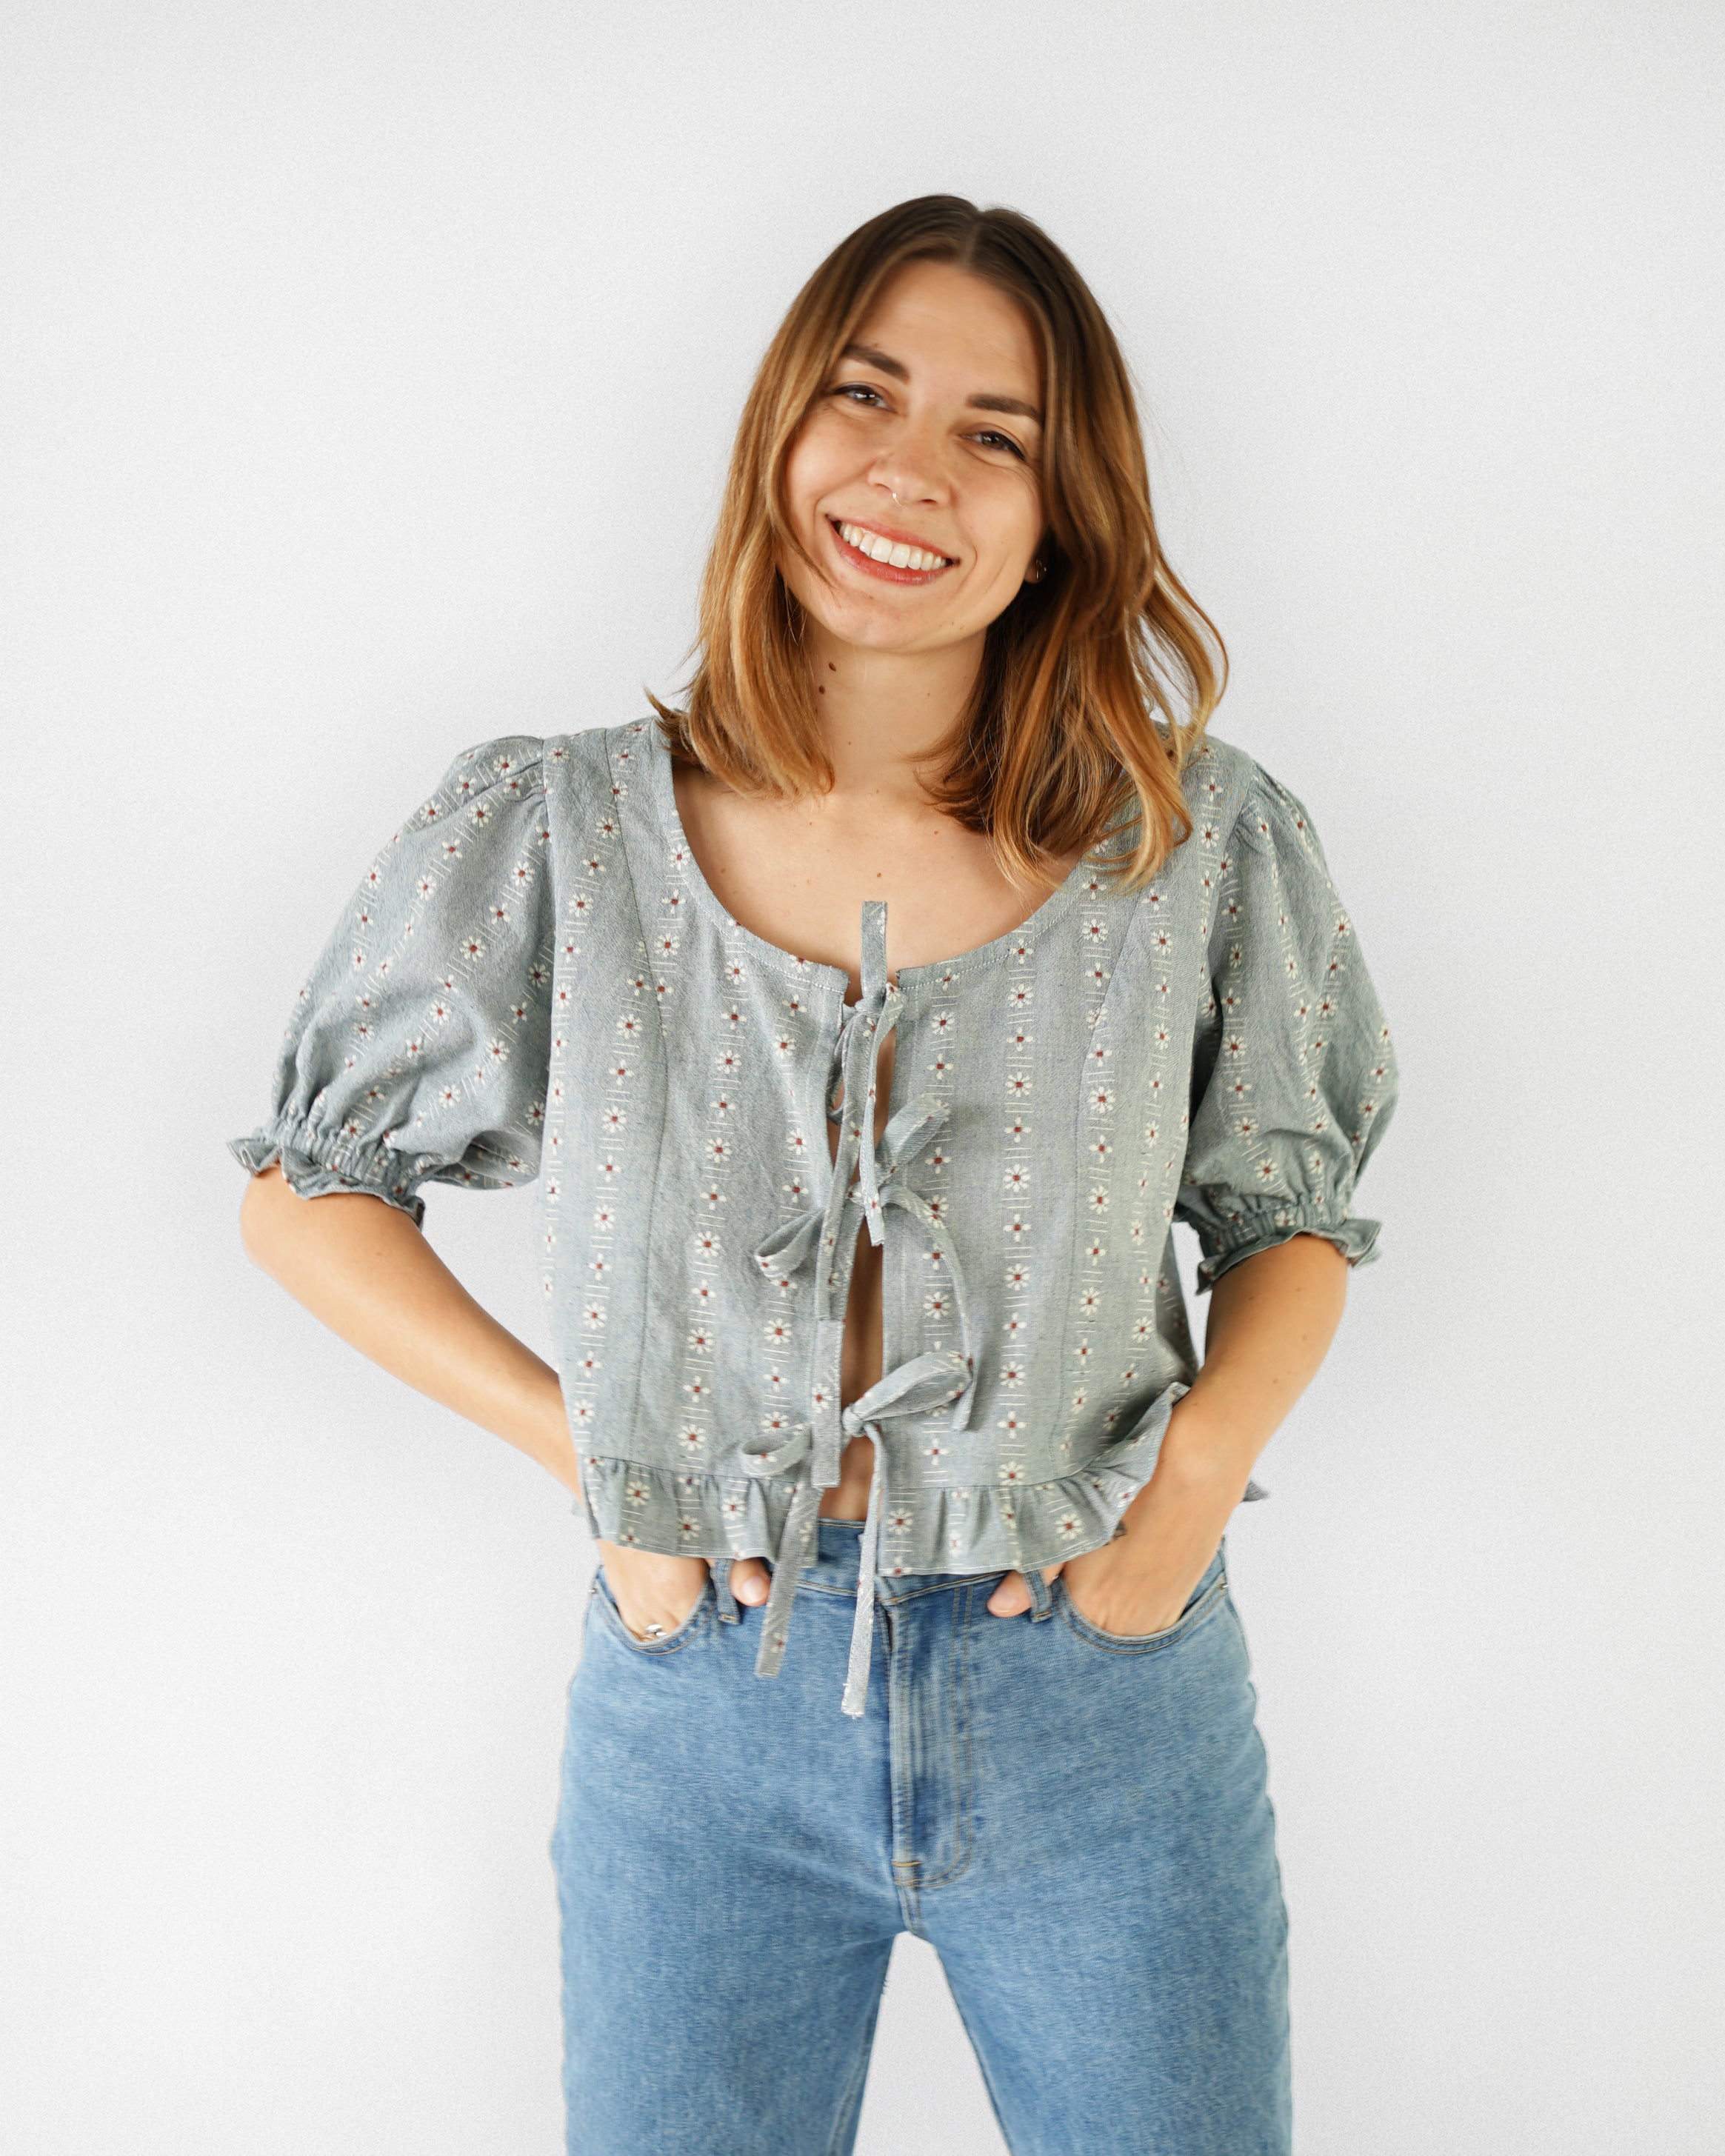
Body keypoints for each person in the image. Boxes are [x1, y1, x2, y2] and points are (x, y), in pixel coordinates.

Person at [233, 196, 1398, 2156]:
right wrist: (594, 1462)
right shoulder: (562, 827)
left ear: (1062, 516)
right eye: (865, 395)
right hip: (700, 1707)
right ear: (780, 426)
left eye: (994, 433)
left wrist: (1191, 1486)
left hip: (1102, 1694)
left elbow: (1289, 1215)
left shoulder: (1189, 842)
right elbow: (307, 1193)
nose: (911, 469)